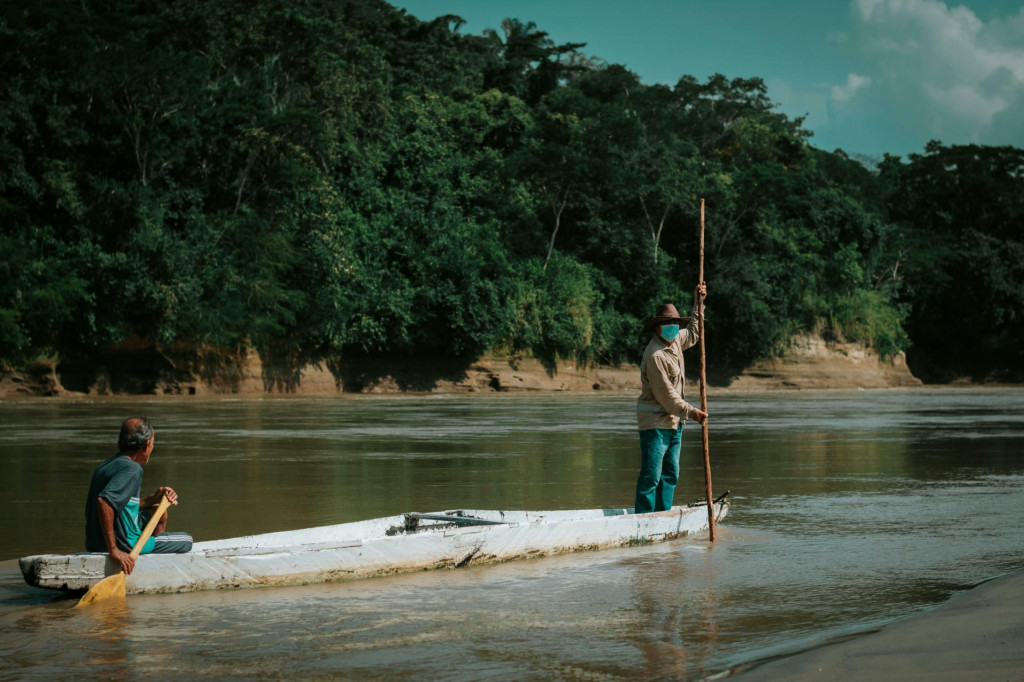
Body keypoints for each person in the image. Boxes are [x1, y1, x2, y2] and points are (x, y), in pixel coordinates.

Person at [634, 283, 709, 514]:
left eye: (676, 324)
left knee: (671, 475)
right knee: (651, 476)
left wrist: (698, 302)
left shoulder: (675, 341)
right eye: (669, 324)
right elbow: (666, 396)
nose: (674, 328)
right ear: (658, 328)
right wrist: (692, 412)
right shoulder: (655, 355)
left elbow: (695, 333)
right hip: (656, 422)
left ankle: (662, 515)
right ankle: (644, 519)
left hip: (676, 422)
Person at [85, 417, 192, 573]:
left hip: (94, 543)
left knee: (157, 511)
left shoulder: (106, 465)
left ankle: (150, 550)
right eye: (153, 443)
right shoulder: (132, 469)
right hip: (125, 544)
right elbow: (104, 502)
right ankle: (147, 554)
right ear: (147, 444)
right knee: (187, 540)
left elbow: (120, 505)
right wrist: (114, 550)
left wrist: (153, 499)